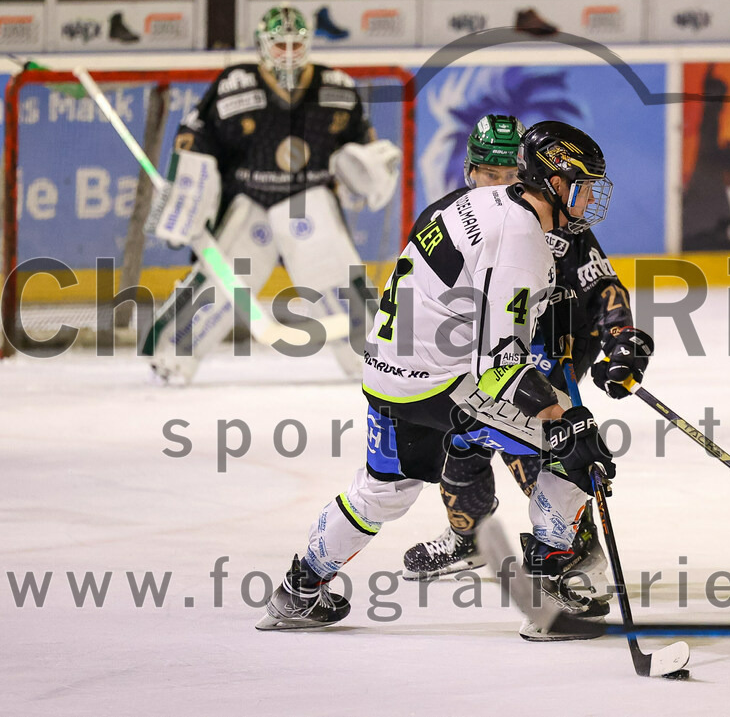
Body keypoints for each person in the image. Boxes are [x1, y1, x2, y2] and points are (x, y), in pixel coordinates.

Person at [256, 121, 623, 635]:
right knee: (575, 447)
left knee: (384, 491)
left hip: (387, 374)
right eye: (582, 188)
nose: (588, 203)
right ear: (555, 184)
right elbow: (500, 367)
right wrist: (564, 422)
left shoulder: (468, 204)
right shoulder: (523, 240)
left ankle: (298, 591)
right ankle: (549, 596)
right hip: (440, 382)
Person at [399, 115, 654, 638]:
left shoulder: (559, 223)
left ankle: (565, 547)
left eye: (506, 171)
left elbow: (600, 284)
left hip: (544, 350)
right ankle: (469, 537)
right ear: (470, 172)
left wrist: (620, 337)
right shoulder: (459, 216)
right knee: (461, 440)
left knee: (545, 447)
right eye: (487, 173)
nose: (498, 184)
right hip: (475, 361)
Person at [142, 4, 400, 384]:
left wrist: (369, 166)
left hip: (309, 200)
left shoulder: (337, 88)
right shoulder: (234, 84)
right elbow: (195, 138)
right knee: (221, 280)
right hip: (251, 199)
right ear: (262, 45)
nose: (289, 53)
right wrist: (186, 192)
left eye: (296, 44)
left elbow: (365, 145)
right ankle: (171, 357)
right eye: (280, 44)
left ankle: (377, 359)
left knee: (337, 277)